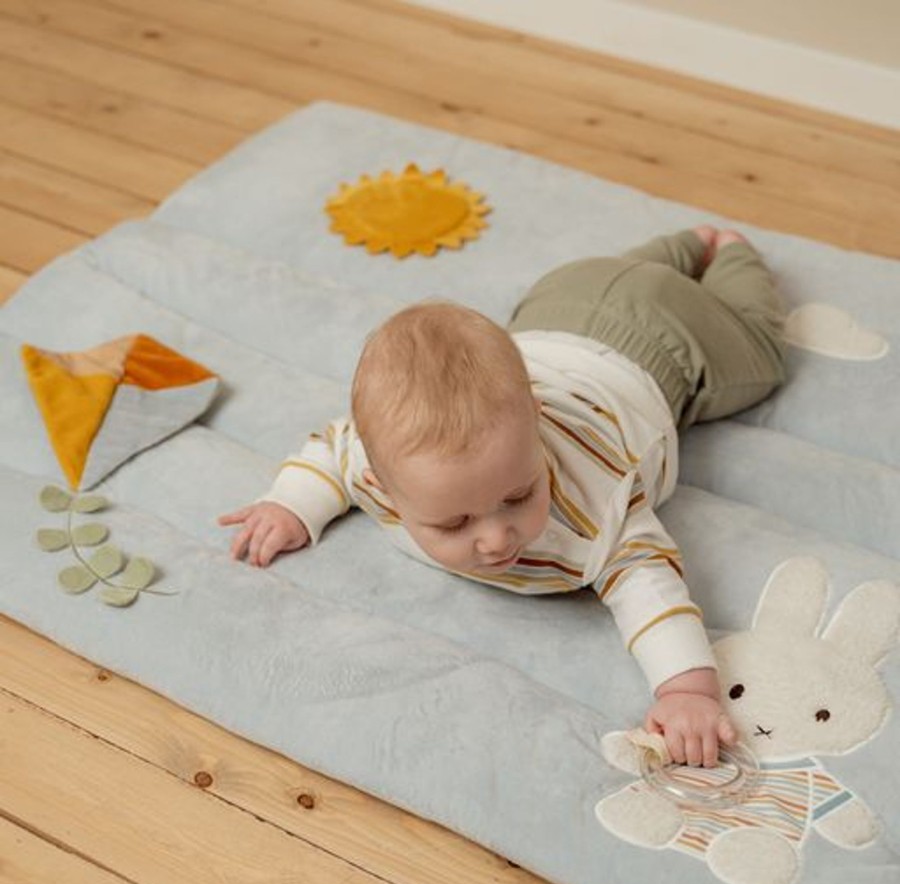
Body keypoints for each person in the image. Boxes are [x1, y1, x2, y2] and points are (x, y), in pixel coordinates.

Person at [219, 225, 786, 767]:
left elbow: (649, 582)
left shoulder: (596, 502)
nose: (494, 539)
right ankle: (682, 244)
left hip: (670, 343)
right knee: (618, 273)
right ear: (384, 481)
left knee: (759, 350)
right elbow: (329, 451)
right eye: (455, 522)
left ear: (536, 424)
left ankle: (726, 249)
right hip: (563, 297)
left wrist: (688, 689)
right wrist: (292, 503)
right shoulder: (375, 462)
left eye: (518, 496)